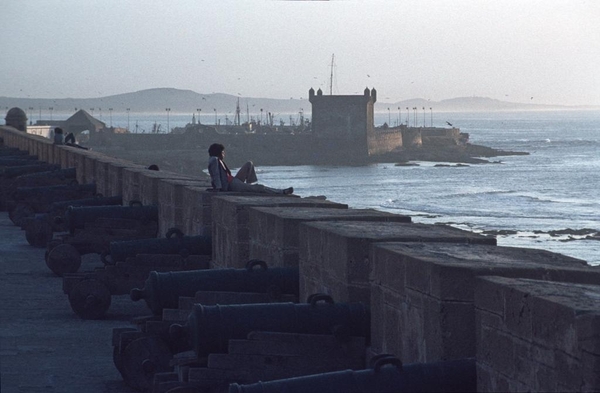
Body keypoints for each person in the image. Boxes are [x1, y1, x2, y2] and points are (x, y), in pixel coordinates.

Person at [207, 143, 293, 195]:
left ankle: (249, 185)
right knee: (260, 188)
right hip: (231, 184)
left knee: (249, 164)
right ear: (219, 153)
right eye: (223, 152)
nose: (224, 154)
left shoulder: (215, 159)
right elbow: (216, 175)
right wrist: (218, 188)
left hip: (233, 180)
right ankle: (281, 192)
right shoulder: (214, 160)